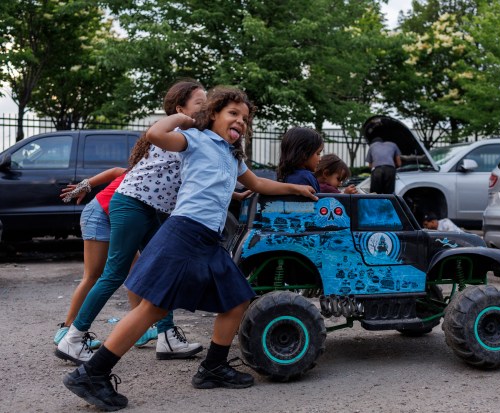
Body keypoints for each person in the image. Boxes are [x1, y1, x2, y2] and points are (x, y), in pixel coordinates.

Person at [62, 85, 317, 411]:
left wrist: (295, 188)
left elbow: (257, 184)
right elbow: (155, 134)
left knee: (237, 299)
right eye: (233, 114)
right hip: (183, 234)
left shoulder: (230, 155)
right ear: (213, 115)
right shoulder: (194, 140)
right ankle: (92, 373)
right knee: (151, 309)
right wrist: (185, 117)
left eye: (245, 118)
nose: (241, 121)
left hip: (207, 239)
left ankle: (213, 367)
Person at [55, 80, 208, 366]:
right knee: (113, 274)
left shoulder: (195, 138)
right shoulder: (173, 133)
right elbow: (154, 137)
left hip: (150, 209)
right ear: (180, 109)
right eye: (200, 103)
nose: (206, 107)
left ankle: (166, 337)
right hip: (132, 204)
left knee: (163, 268)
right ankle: (73, 338)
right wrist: (187, 119)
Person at [54, 167, 135, 349]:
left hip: (115, 219)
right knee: (93, 275)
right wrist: (85, 185)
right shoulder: (143, 169)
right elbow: (115, 171)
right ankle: (66, 330)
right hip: (98, 216)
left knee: (135, 270)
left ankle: (141, 328)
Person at [276, 126, 323, 192]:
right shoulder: (303, 178)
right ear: (304, 154)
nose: (320, 159)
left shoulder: (288, 174)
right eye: (318, 153)